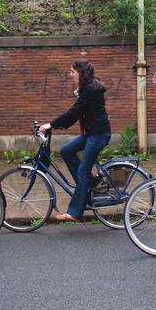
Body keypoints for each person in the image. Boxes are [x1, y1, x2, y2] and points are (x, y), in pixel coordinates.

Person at [39, 59, 111, 223]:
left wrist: (51, 124)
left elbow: (74, 112)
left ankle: (75, 212)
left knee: (83, 171)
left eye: (72, 71)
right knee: (66, 150)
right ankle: (86, 186)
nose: (70, 74)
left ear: (80, 73)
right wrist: (54, 126)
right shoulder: (87, 88)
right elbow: (76, 114)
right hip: (91, 133)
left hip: (98, 135)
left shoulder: (91, 89)